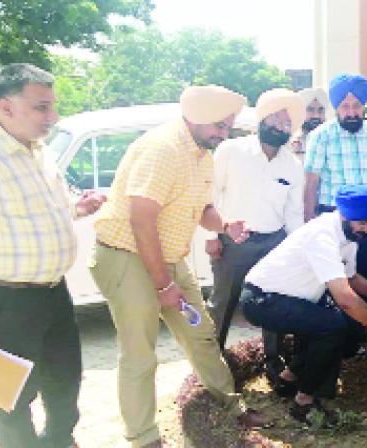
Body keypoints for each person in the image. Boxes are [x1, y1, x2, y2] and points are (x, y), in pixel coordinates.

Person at [90, 85, 268, 447]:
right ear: (196, 116)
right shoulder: (163, 149)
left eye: (228, 126)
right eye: (219, 125)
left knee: (201, 333)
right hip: (126, 256)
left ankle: (232, 407)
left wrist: (225, 225)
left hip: (168, 258)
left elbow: (202, 209)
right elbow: (141, 221)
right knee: (140, 354)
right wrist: (163, 285)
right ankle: (144, 438)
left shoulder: (202, 153)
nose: (223, 133)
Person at [0, 63, 105, 448]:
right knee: (8, 396)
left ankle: (58, 441)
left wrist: (76, 207)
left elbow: (40, 207)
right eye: (41, 107)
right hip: (4, 300)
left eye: (52, 106)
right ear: (6, 107)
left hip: (54, 293)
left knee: (64, 381)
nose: (52, 117)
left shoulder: (38, 150)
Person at [240, 185, 367, 426]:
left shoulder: (349, 236)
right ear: (344, 216)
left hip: (289, 298)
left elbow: (352, 278)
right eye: (364, 223)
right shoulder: (322, 235)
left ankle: (288, 381)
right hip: (262, 300)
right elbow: (345, 298)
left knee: (330, 321)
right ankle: (304, 404)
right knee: (332, 325)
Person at [205, 88, 305, 348]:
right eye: (275, 119)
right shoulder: (230, 150)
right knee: (222, 305)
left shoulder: (293, 166)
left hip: (274, 245)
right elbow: (209, 195)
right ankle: (213, 368)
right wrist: (211, 236)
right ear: (262, 119)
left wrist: (297, 250)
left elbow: (293, 214)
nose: (280, 127)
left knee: (271, 306)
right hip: (232, 242)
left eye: (286, 123)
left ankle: (272, 362)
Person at [303, 74, 367, 292]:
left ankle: (364, 326)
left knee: (366, 277)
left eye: (356, 105)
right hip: (332, 220)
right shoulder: (321, 136)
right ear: (336, 108)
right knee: (332, 284)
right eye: (345, 106)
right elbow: (310, 183)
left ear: (363, 106)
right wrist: (309, 220)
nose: (351, 112)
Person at [292, 87, 329, 160]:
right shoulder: (288, 142)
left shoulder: (334, 141)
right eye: (310, 110)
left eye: (320, 110)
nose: (316, 115)